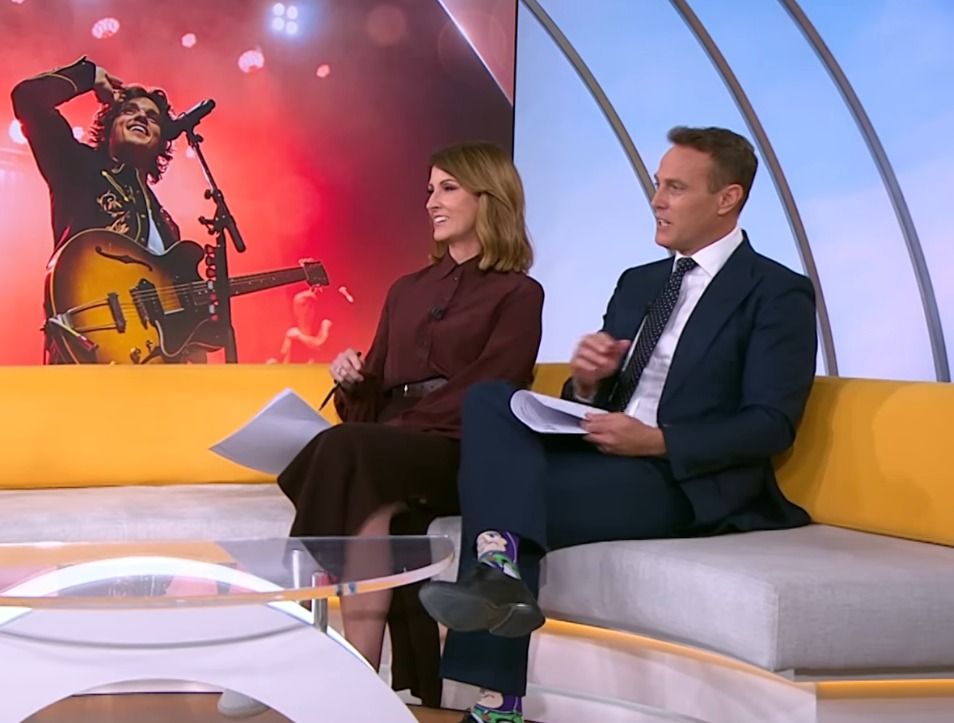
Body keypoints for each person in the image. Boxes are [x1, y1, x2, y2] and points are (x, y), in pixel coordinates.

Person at [420, 127, 818, 723]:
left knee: (505, 499)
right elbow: (601, 395)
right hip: (606, 450)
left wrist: (657, 441)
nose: (656, 200)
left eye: (675, 188)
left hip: (680, 477)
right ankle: (497, 574)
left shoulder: (777, 292)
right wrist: (587, 382)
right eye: (657, 185)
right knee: (490, 401)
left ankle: (498, 686)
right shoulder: (640, 282)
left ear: (727, 198)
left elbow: (771, 424)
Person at [219, 140, 544, 718]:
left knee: (349, 453)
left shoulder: (519, 294)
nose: (432, 202)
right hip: (389, 448)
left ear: (488, 196)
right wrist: (354, 381)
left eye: (448, 189)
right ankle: (357, 682)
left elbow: (493, 390)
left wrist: (402, 424)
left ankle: (287, 641)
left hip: (460, 450)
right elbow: (370, 404)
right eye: (429, 190)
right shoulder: (406, 290)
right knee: (360, 479)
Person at [11, 57, 181, 363]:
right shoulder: (76, 166)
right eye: (129, 111)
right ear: (109, 128)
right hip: (84, 349)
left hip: (152, 366)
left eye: (152, 117)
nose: (141, 117)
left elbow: (180, 317)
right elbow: (27, 98)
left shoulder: (168, 226)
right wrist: (88, 75)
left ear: (161, 143)